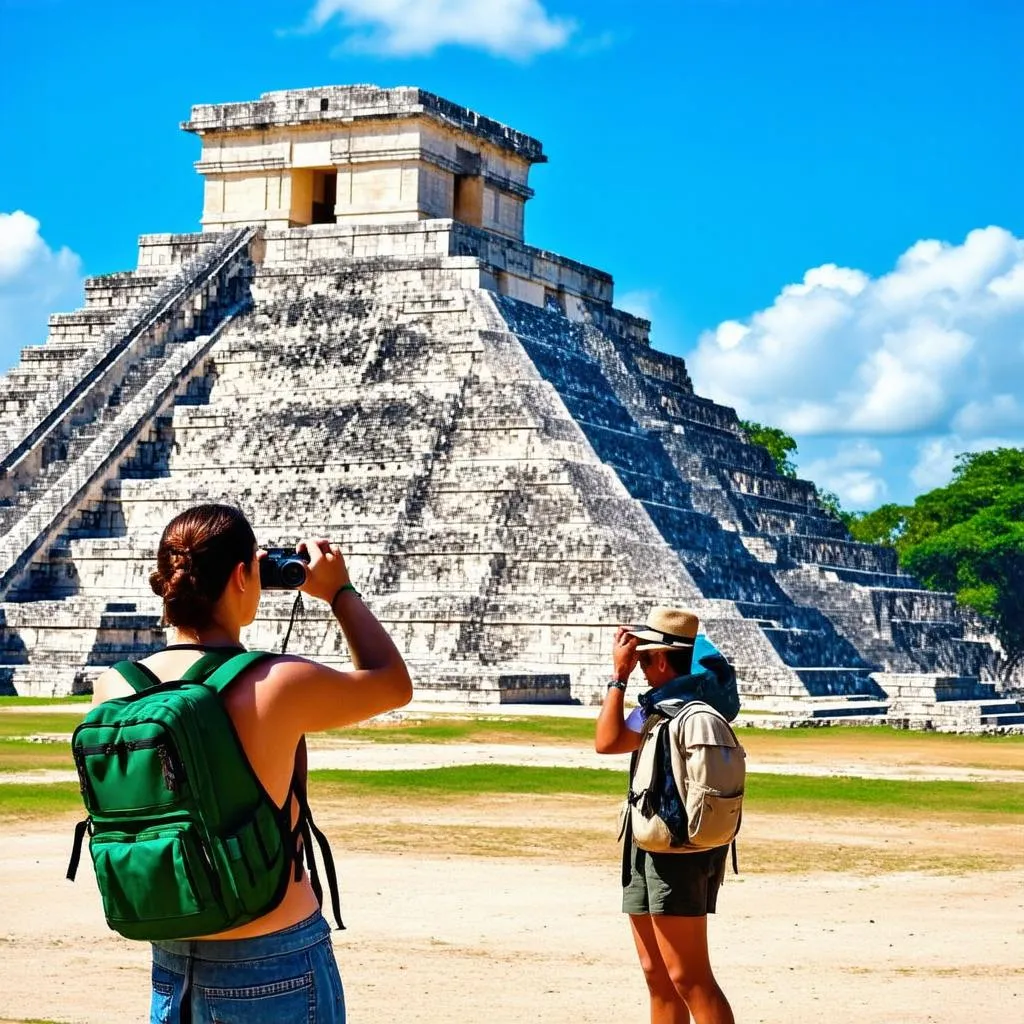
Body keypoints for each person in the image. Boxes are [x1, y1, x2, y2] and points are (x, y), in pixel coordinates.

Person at [90, 504, 413, 1024]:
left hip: (172, 963)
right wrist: (338, 592)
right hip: (274, 958)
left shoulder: (115, 687)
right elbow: (392, 682)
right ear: (244, 574)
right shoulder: (274, 683)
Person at [595, 606, 736, 1024]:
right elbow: (607, 741)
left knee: (690, 978)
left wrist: (616, 676)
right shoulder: (658, 707)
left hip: (677, 849)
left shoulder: (685, 710)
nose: (636, 668)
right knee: (658, 977)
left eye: (642, 659)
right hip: (646, 840)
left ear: (660, 659)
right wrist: (620, 679)